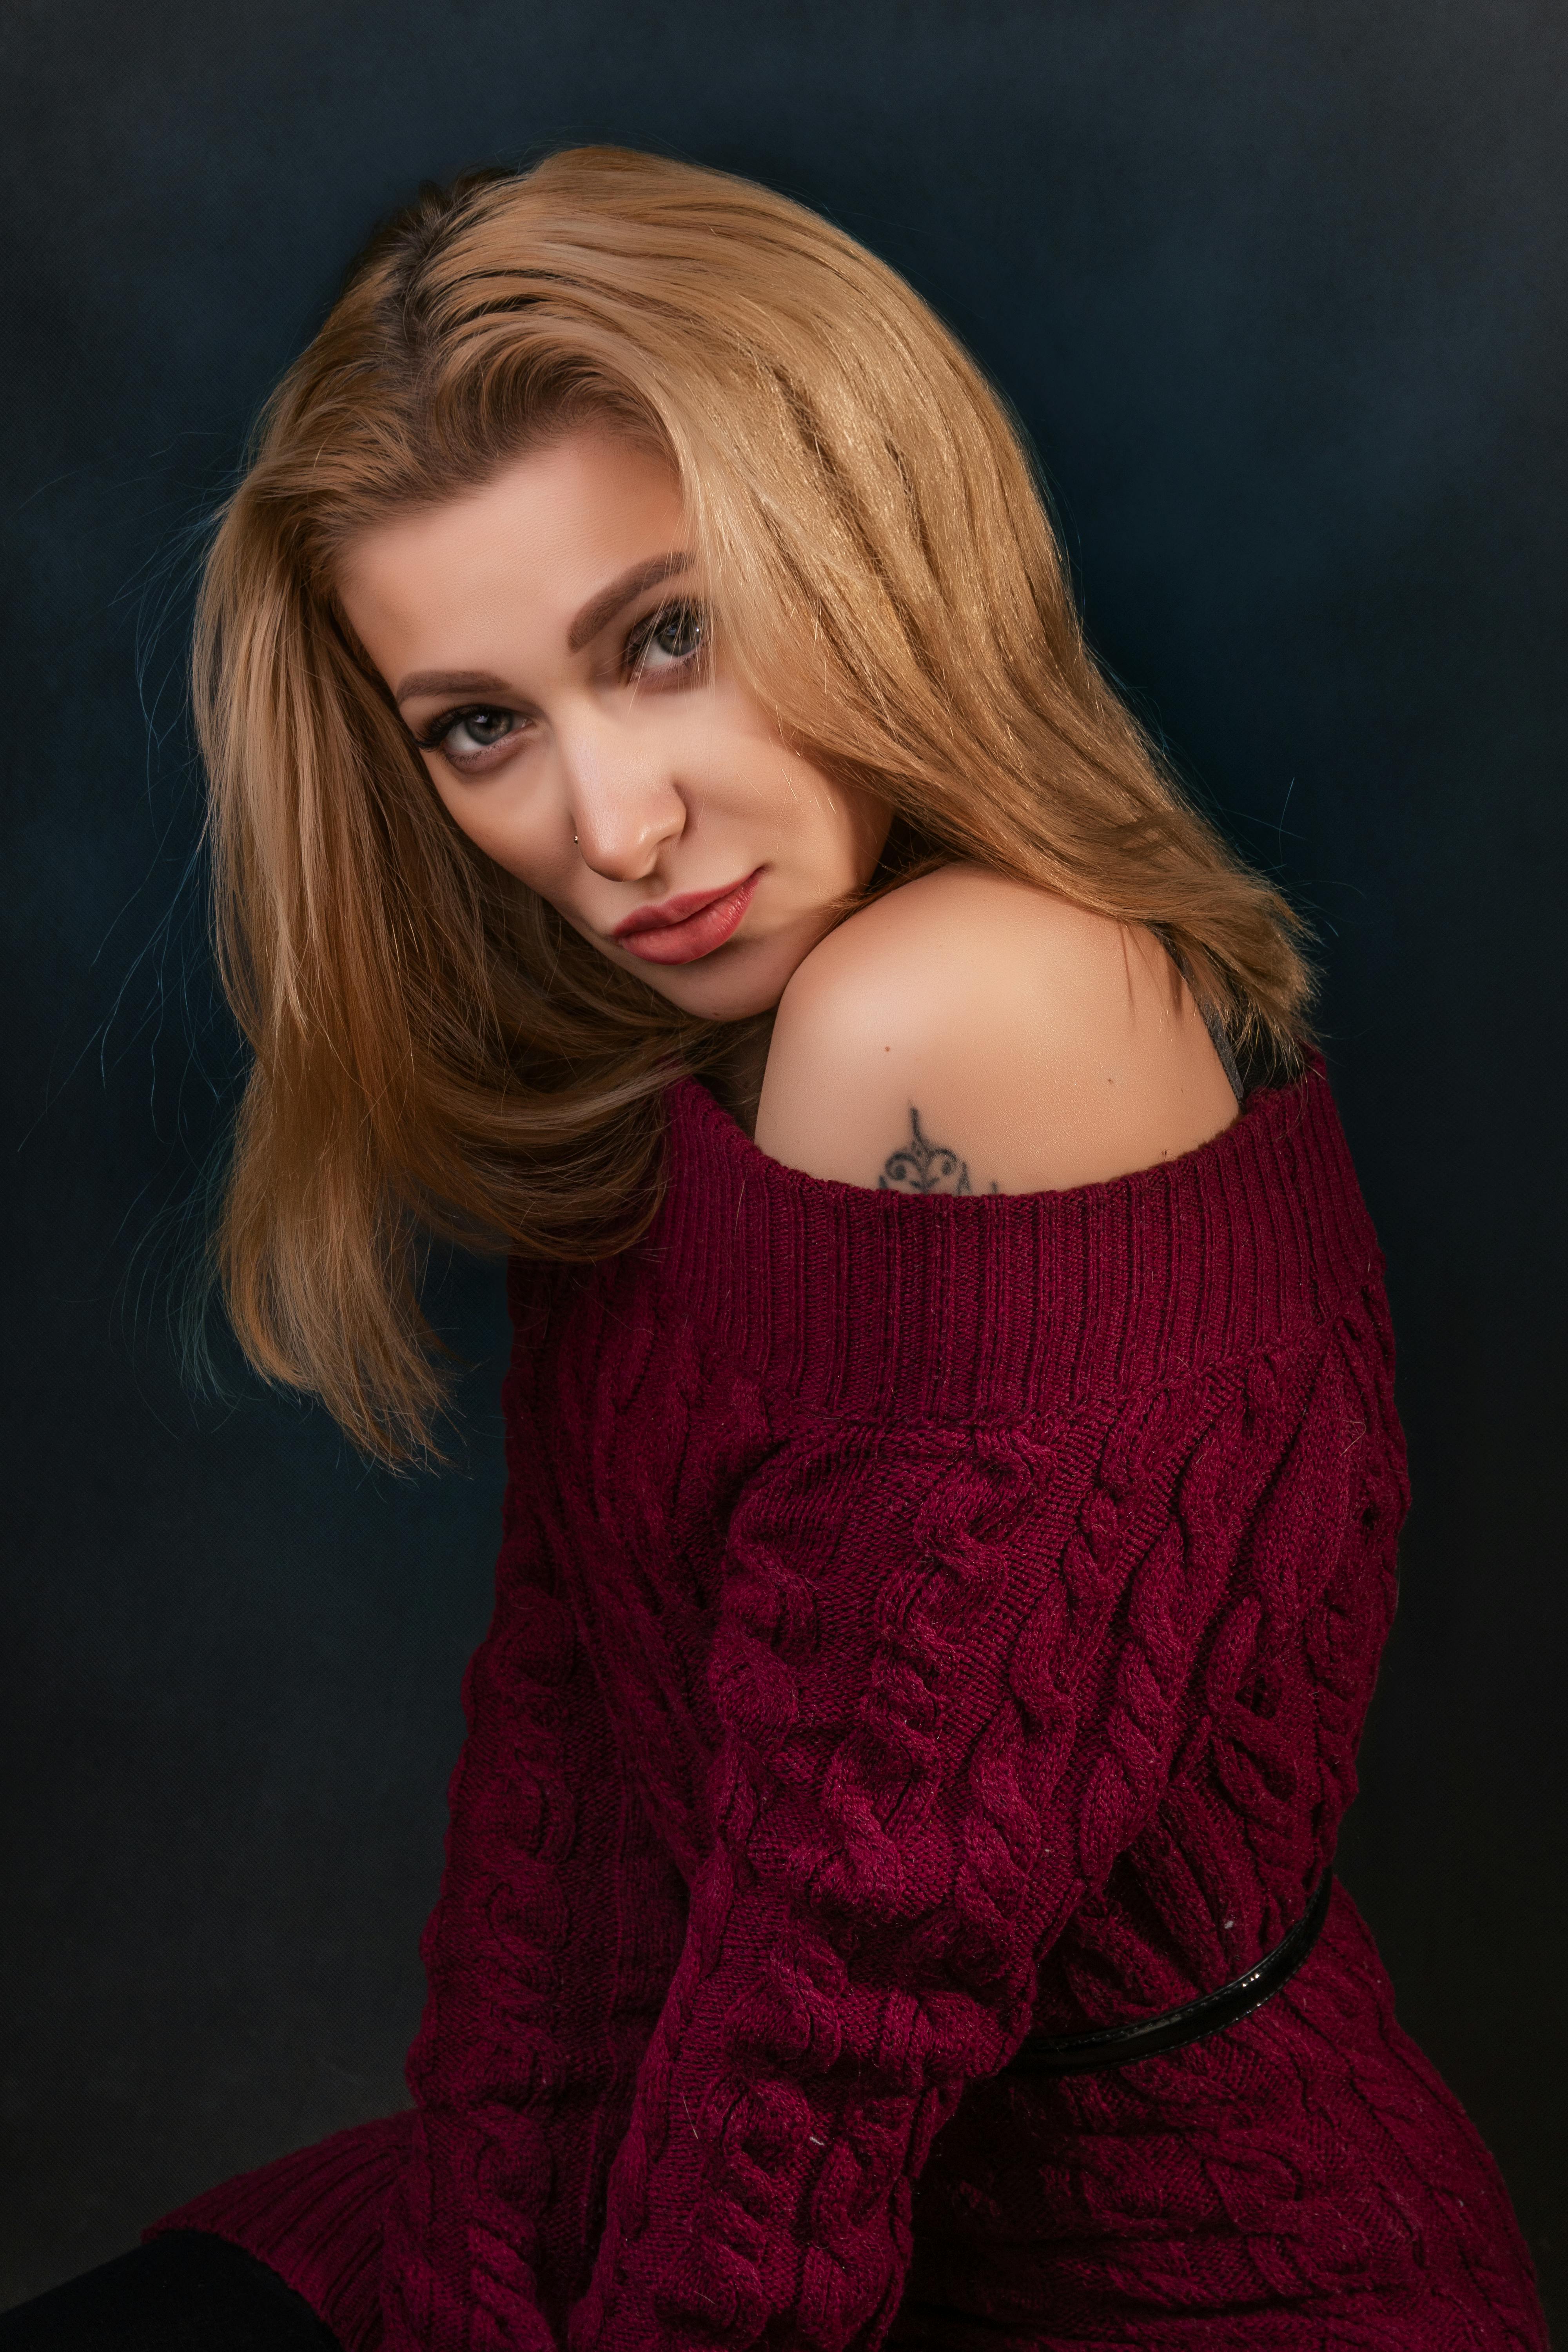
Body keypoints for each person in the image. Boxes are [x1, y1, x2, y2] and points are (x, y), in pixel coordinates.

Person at [2, 148, 1546, 2351]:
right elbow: (573, 1787)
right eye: (481, 728)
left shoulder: (956, 1010)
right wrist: (474, 2283)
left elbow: (845, 1996)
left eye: (667, 637)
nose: (611, 830)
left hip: (1124, 2277)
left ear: (871, 536)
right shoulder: (699, 1047)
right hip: (704, 2189)